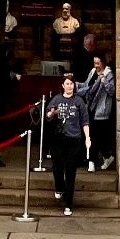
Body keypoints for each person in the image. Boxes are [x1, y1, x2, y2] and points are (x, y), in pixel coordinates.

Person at [45, 73, 91, 215]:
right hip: (59, 138)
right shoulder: (57, 99)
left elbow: (85, 121)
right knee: (58, 166)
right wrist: (52, 113)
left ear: (74, 86)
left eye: (71, 84)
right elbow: (48, 115)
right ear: (63, 86)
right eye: (67, 84)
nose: (69, 86)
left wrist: (87, 137)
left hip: (74, 139)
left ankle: (68, 204)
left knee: (70, 171)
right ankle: (59, 187)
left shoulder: (79, 101)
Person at [81, 55, 116, 172]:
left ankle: (104, 157)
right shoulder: (92, 72)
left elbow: (112, 91)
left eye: (98, 63)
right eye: (94, 63)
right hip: (90, 108)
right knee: (91, 135)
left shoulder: (109, 74)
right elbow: (87, 86)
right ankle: (94, 160)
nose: (96, 66)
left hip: (101, 110)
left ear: (103, 63)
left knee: (99, 137)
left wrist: (104, 81)